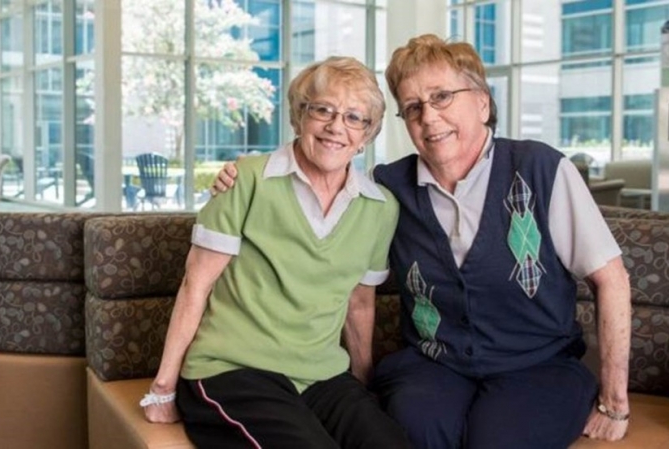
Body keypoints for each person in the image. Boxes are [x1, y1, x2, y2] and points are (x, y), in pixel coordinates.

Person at [211, 34, 632, 449]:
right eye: (413, 107)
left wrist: (615, 403)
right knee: (414, 429)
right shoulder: (387, 189)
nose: (428, 117)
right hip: (435, 363)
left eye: (442, 97)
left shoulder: (542, 169)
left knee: (496, 439)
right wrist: (246, 175)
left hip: (538, 364)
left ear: (483, 103)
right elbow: (322, 168)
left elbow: (611, 279)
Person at [141, 56, 410, 449]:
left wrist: (362, 388)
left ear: (366, 135)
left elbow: (360, 304)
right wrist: (163, 388)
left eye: (354, 117)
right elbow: (195, 285)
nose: (336, 127)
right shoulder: (246, 180)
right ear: (299, 117)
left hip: (321, 375)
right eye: (323, 110)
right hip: (233, 370)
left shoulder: (380, 208)